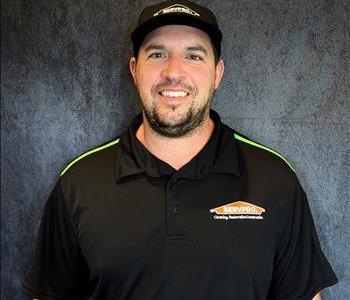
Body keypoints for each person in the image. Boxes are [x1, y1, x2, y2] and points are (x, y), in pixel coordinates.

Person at [22, 0, 338, 299]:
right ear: (134, 69)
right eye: (157, 54)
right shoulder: (79, 182)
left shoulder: (274, 180)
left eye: (194, 56)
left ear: (217, 73)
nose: (174, 72)